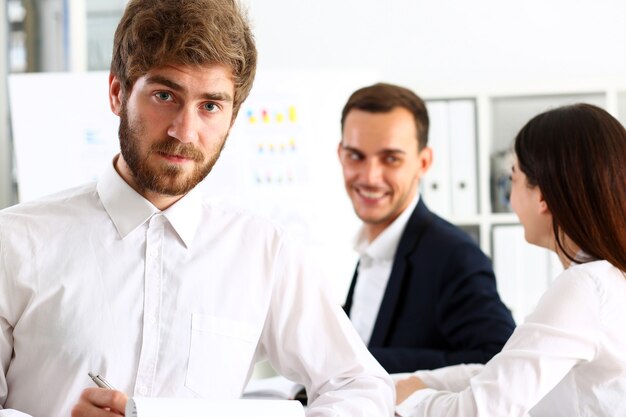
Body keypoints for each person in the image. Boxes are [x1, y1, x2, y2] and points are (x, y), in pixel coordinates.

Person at [0, 1, 394, 416]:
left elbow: (361, 387)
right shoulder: (15, 241)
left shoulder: (264, 252)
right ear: (118, 93)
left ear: (232, 117)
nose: (184, 131)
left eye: (210, 106)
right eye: (165, 95)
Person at [395, 103, 626, 416]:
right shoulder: (607, 279)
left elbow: (478, 411)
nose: (509, 196)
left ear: (542, 196)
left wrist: (405, 400)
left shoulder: (586, 287)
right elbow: (506, 372)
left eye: (512, 179)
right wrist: (417, 381)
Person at [338, 82, 515, 373]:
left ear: (423, 162)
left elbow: (497, 358)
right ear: (340, 154)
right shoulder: (370, 250)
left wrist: (359, 362)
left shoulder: (453, 255)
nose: (370, 176)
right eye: (356, 156)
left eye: (391, 159)